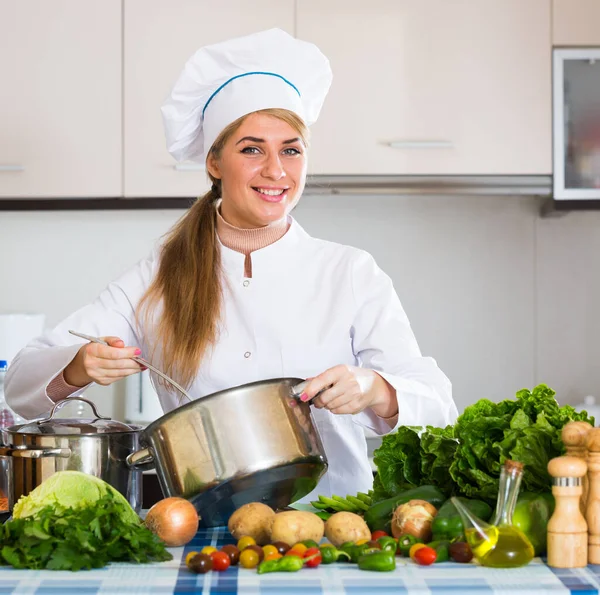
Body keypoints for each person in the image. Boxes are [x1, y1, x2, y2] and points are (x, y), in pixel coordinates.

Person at [5, 29, 457, 500]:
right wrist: (80, 364)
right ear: (215, 162)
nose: (276, 170)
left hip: (330, 524)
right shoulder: (156, 277)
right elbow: (19, 385)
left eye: (291, 149)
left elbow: (440, 404)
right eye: (252, 148)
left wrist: (375, 388)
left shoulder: (350, 272)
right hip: (202, 531)